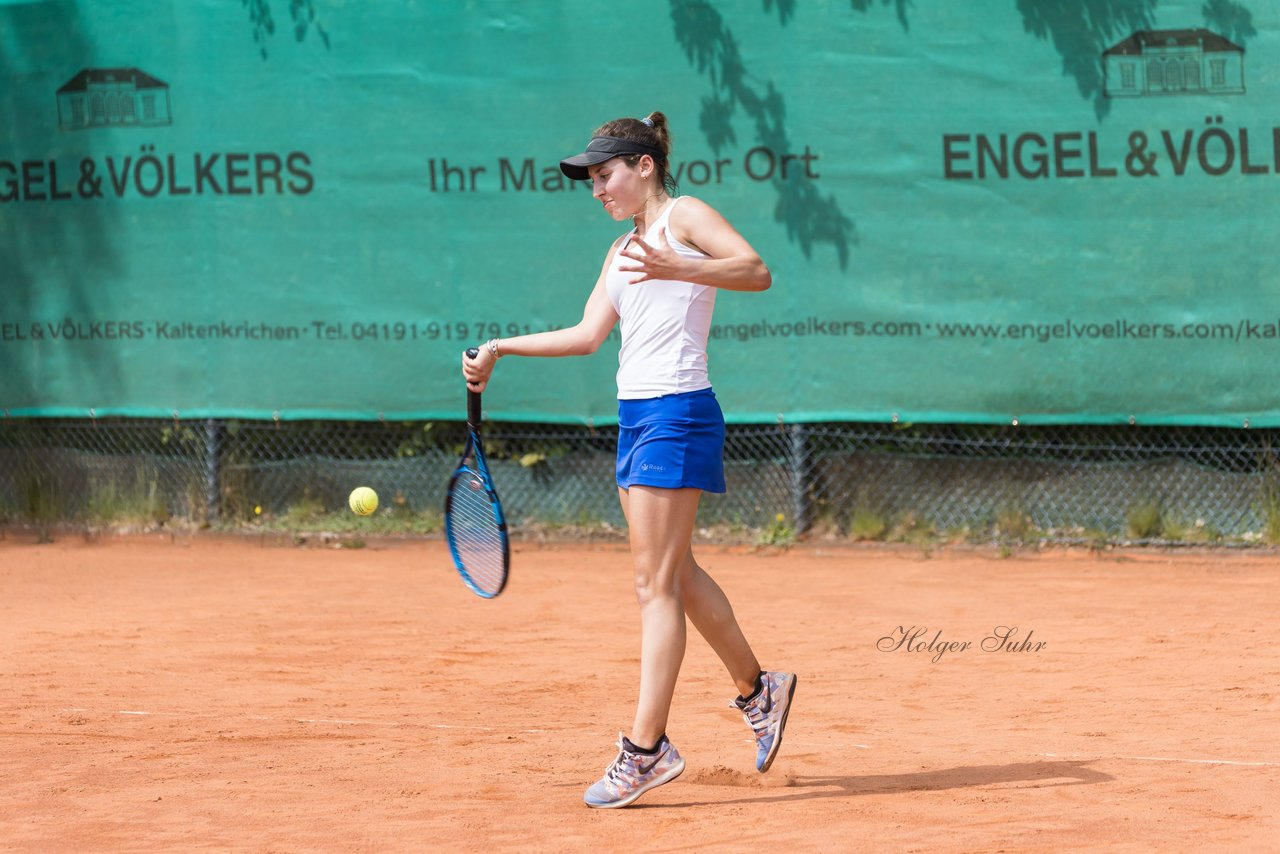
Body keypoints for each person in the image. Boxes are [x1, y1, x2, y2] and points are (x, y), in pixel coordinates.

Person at [460, 111, 796, 809]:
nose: (596, 188)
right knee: (675, 573)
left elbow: (757, 271)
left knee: (655, 586)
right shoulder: (620, 251)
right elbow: (587, 335)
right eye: (591, 179)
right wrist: (501, 348)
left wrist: (681, 262)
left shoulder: (685, 217)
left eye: (605, 174)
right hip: (636, 417)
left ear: (645, 166)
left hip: (679, 410)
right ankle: (761, 690)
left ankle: (647, 750)